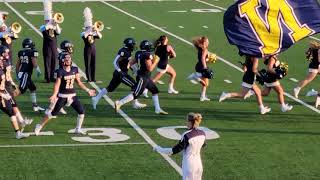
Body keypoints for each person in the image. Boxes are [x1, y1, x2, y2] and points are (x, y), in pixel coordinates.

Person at [34, 53, 96, 135]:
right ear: (62, 61)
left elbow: (79, 82)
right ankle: (39, 126)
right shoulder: (60, 71)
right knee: (53, 113)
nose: (68, 61)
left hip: (72, 96)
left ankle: (78, 129)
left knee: (81, 112)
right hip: (62, 96)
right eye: (66, 60)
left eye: (69, 59)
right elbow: (57, 84)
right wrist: (54, 94)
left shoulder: (74, 69)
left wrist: (88, 90)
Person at [114, 40, 168, 115]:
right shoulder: (147, 55)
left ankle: (157, 109)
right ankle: (119, 103)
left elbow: (131, 62)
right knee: (136, 94)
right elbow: (150, 68)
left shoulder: (138, 53)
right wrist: (155, 62)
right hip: (143, 78)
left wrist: (133, 69)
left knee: (154, 91)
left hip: (144, 77)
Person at [92, 38, 146, 110]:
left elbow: (128, 63)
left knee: (110, 88)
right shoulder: (124, 51)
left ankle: (96, 98)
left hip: (119, 73)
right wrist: (120, 71)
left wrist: (135, 70)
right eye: (133, 45)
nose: (134, 46)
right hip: (121, 74)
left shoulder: (128, 51)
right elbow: (115, 62)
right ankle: (134, 103)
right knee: (135, 86)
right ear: (129, 45)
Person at [154, 112, 206, 180]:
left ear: (190, 122)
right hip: (199, 165)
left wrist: (159, 149)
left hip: (189, 165)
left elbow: (175, 150)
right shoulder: (202, 133)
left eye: (187, 121)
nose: (186, 123)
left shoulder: (187, 135)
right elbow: (204, 145)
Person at [0, 45, 32, 133]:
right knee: (11, 106)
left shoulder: (7, 61)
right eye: (5, 52)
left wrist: (13, 83)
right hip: (3, 86)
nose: (7, 53)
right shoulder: (1, 62)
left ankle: (21, 121)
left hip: (8, 84)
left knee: (14, 104)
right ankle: (21, 122)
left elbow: (8, 74)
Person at [45, 40, 73, 116]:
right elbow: (68, 66)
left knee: (61, 92)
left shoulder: (61, 54)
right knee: (60, 93)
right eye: (69, 47)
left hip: (59, 73)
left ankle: (59, 106)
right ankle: (50, 109)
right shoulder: (66, 55)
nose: (70, 48)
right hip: (62, 75)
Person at [15, 38, 45, 112]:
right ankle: (6, 100)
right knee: (20, 90)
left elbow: (17, 65)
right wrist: (38, 69)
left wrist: (17, 73)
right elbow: (34, 62)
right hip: (26, 74)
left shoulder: (21, 52)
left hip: (22, 73)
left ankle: (35, 106)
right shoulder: (32, 52)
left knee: (33, 88)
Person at [0, 64, 29, 139]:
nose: (1, 62)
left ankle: (18, 132)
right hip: (1, 97)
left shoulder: (1, 70)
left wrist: (11, 84)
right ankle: (18, 133)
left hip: (3, 95)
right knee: (11, 113)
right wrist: (3, 95)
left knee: (12, 112)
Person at [186, 36, 214, 101]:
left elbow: (203, 58)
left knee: (206, 84)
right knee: (206, 84)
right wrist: (205, 67)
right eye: (207, 41)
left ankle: (202, 96)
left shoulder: (200, 47)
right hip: (202, 67)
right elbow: (202, 59)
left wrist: (209, 59)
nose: (208, 42)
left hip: (199, 65)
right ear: (204, 42)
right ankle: (196, 77)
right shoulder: (204, 49)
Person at [40, 0, 61, 83]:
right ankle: (47, 77)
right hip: (46, 46)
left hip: (54, 46)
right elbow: (43, 29)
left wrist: (56, 24)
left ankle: (52, 76)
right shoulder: (44, 26)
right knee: (47, 62)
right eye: (47, 20)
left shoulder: (54, 26)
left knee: (53, 61)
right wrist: (49, 23)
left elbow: (58, 32)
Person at [81, 7, 102, 82]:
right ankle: (88, 78)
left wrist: (96, 30)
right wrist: (89, 30)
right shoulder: (84, 33)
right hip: (87, 49)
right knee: (88, 64)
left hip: (93, 49)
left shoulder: (93, 33)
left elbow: (100, 36)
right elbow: (85, 36)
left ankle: (93, 78)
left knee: (93, 64)